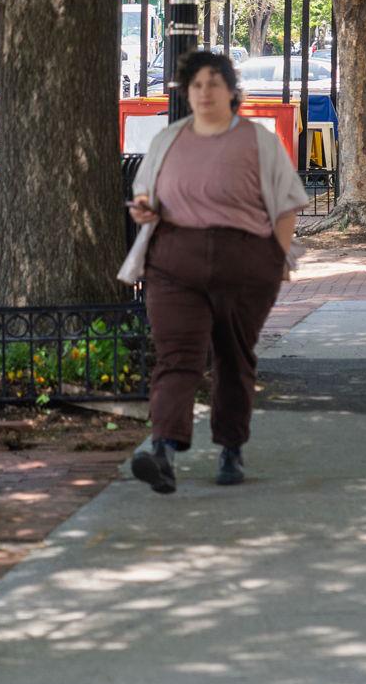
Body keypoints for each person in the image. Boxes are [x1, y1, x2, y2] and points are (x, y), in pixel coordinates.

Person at [125, 50, 308, 492]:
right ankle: (163, 450)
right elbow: (145, 196)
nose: (204, 92)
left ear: (232, 92)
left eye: (213, 83)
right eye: (196, 85)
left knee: (233, 356)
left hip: (244, 262)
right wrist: (144, 211)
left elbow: (287, 204)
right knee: (177, 356)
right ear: (187, 93)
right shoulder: (167, 140)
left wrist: (274, 259)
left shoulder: (258, 141)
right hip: (174, 262)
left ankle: (231, 449)